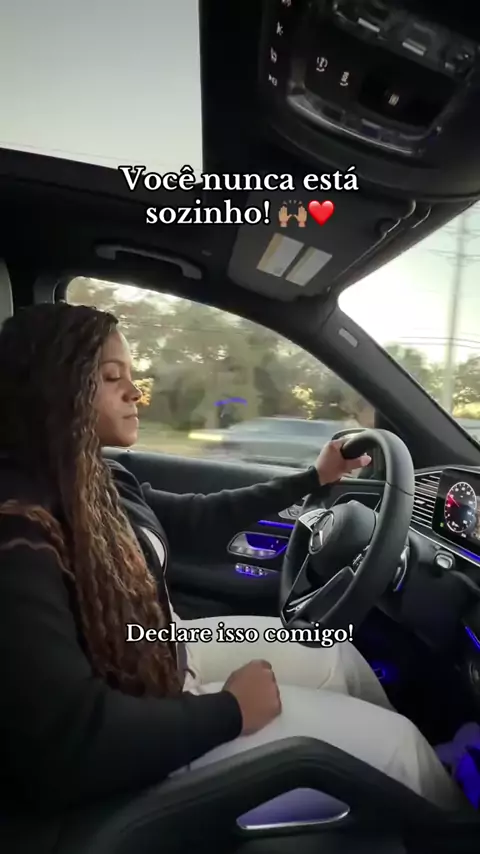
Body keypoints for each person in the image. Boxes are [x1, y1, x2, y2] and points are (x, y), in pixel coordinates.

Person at [0, 303, 465, 821]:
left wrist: (312, 479)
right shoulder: (19, 531)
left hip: (160, 649)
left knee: (337, 656)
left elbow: (198, 520)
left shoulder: (98, 480)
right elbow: (68, 741)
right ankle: (435, 802)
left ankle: (415, 787)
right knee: (399, 747)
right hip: (139, 738)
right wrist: (230, 711)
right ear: (54, 389)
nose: (135, 392)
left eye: (132, 375)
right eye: (112, 377)